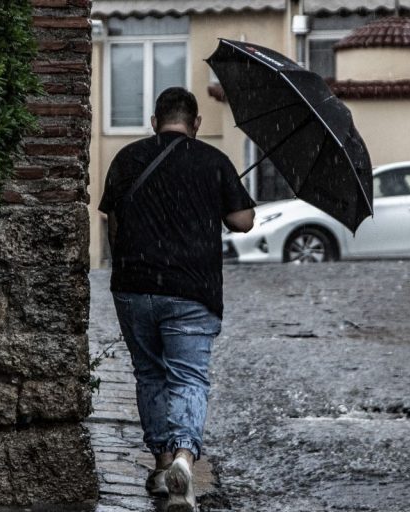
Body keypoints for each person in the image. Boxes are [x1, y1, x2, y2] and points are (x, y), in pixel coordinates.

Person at [98, 87, 255, 512]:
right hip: (191, 290)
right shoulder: (213, 161)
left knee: (149, 375)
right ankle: (184, 456)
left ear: (154, 121)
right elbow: (243, 221)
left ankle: (162, 464)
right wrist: (228, 195)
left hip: (134, 286)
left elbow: (114, 224)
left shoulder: (127, 159)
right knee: (188, 377)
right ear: (196, 124)